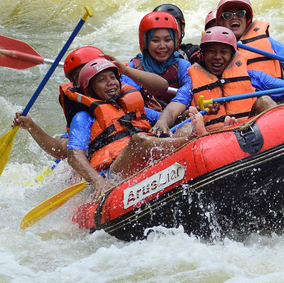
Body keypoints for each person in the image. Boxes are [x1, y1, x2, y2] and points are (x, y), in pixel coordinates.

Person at [67, 58, 203, 197]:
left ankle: (191, 138)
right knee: (138, 140)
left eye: (113, 77)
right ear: (90, 90)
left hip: (146, 156)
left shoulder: (132, 107)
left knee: (186, 125)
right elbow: (74, 156)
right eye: (102, 80)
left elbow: (169, 120)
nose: (110, 82)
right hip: (114, 171)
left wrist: (191, 113)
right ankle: (194, 141)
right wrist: (97, 181)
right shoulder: (83, 117)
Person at [187, 27, 284, 131]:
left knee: (264, 100)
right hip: (210, 136)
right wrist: (195, 113)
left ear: (232, 55)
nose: (218, 57)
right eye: (212, 52)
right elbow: (177, 108)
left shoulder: (252, 76)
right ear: (203, 54)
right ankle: (204, 134)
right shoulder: (191, 80)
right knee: (188, 125)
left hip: (245, 134)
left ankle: (283, 136)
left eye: (224, 52)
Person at [12, 45, 105, 160]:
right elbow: (62, 151)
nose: (85, 79)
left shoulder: (130, 82)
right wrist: (31, 126)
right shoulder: (82, 116)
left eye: (90, 71)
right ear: (75, 84)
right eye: (79, 76)